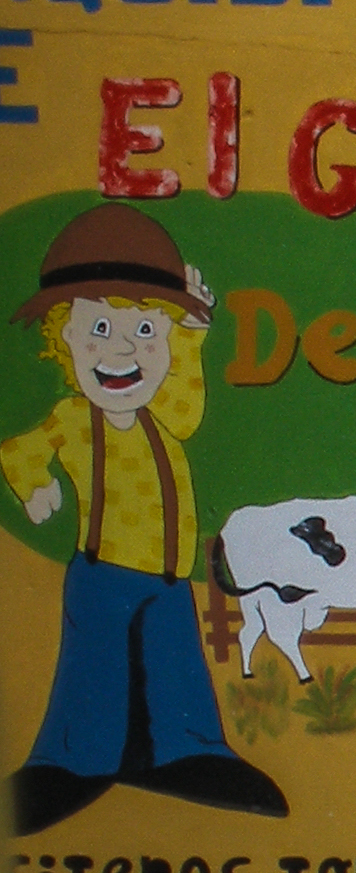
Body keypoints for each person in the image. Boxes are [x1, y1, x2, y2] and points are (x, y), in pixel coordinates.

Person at [2, 204, 287, 834]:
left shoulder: (166, 420)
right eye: (99, 328)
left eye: (145, 332)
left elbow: (187, 405)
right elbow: (20, 450)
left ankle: (186, 754)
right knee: (94, 669)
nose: (124, 348)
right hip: (102, 574)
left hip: (166, 579)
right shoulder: (76, 420)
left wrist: (188, 332)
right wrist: (36, 489)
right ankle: (75, 764)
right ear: (66, 339)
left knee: (173, 666)